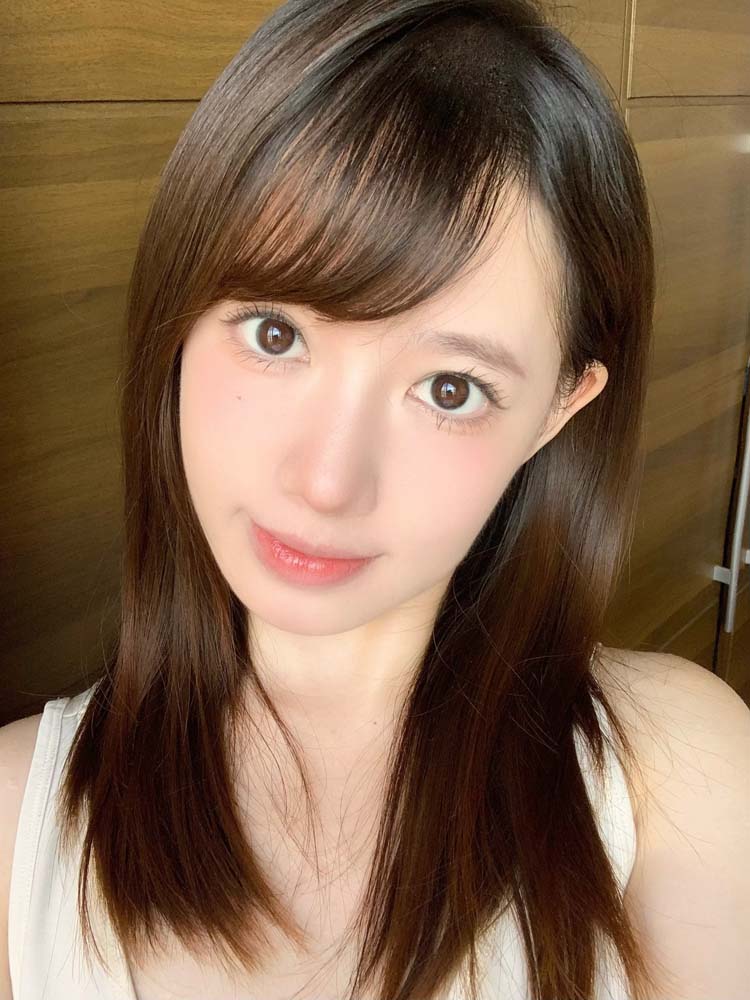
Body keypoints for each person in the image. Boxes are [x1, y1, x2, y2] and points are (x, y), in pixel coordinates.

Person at [2, 1, 749, 998]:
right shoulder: (16, 824)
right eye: (275, 335)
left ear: (557, 410)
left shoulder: (678, 777)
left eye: (451, 389)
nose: (326, 481)